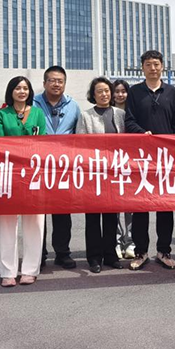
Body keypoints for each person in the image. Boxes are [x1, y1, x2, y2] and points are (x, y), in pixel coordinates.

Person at [124, 49, 175, 270]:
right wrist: (143, 134)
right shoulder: (135, 92)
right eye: (148, 64)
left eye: (156, 64)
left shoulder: (172, 92)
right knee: (141, 206)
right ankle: (141, 252)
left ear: (162, 67)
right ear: (142, 68)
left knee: (165, 207)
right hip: (141, 158)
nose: (153, 68)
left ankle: (164, 251)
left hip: (166, 159)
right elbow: (129, 121)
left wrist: (170, 143)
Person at [0, 76, 46, 287]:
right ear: (11, 91)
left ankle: (30, 270)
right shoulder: (2, 114)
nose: (22, 91)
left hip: (33, 174)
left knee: (34, 223)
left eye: (25, 88)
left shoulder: (38, 113)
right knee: (7, 223)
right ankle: (8, 271)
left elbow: (42, 141)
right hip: (8, 173)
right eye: (18, 88)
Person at [33, 65, 81, 269]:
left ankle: (62, 252)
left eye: (60, 81)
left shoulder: (73, 106)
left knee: (62, 212)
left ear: (65, 83)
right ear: (44, 83)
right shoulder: (32, 103)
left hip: (64, 167)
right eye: (52, 80)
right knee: (39, 212)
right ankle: (39, 253)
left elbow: (79, 135)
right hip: (38, 165)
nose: (56, 84)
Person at [75, 77, 125, 273]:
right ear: (93, 95)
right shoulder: (85, 116)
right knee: (93, 218)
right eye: (99, 91)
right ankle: (94, 257)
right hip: (93, 174)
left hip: (114, 173)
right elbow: (80, 144)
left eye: (107, 90)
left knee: (112, 217)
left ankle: (110, 255)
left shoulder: (120, 114)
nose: (104, 94)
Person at [111, 79, 134, 259]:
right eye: (116, 91)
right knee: (115, 205)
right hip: (112, 164)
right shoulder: (109, 112)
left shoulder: (134, 111)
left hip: (132, 164)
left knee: (131, 205)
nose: (120, 94)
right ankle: (117, 241)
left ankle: (131, 241)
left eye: (123, 91)